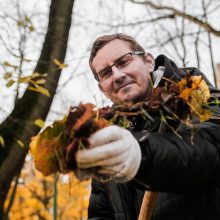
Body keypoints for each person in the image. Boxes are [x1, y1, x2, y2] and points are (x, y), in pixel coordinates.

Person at [75, 33, 220, 220]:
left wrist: (138, 154)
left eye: (123, 62)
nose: (117, 75)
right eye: (106, 73)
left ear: (148, 61)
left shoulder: (194, 92)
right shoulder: (108, 135)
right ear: (102, 89)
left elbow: (211, 148)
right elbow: (102, 213)